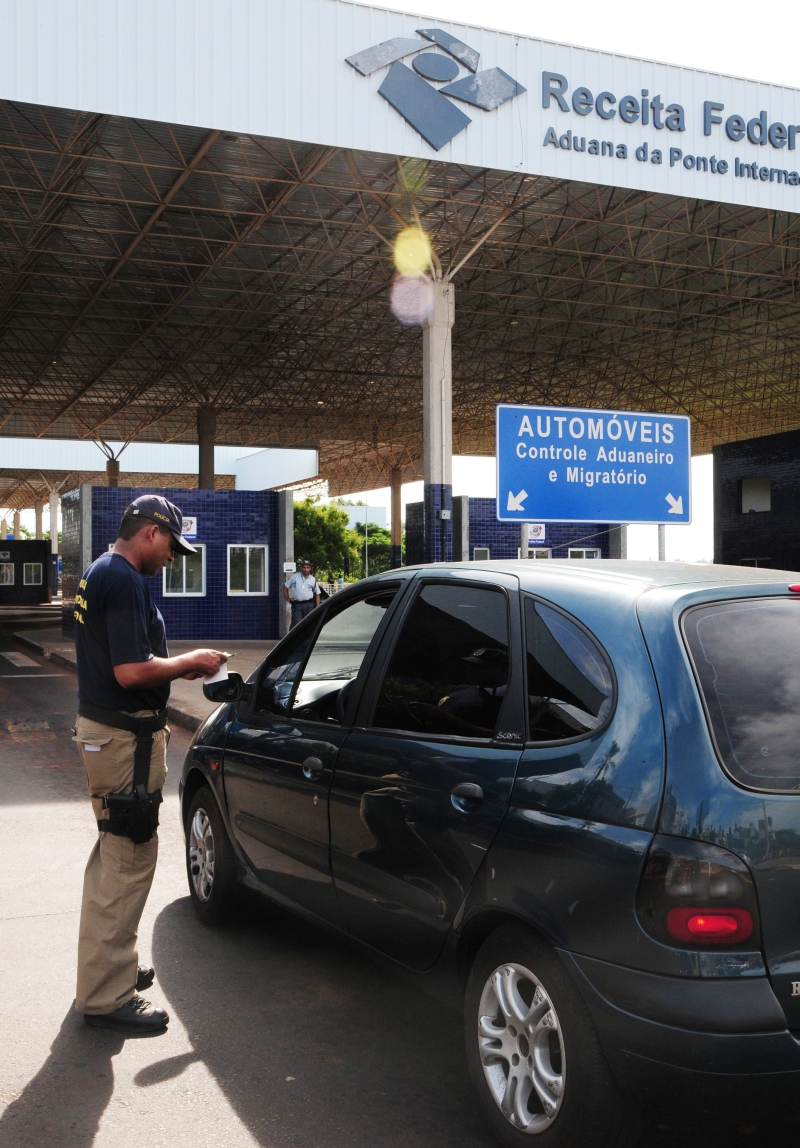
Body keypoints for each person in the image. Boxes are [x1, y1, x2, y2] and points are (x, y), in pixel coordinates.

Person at [73, 495, 228, 1035]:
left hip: (110, 736)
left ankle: (108, 969)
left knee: (115, 856)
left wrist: (172, 671)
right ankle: (104, 995)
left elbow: (132, 664)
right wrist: (191, 662)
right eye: (171, 547)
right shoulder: (123, 581)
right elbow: (128, 671)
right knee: (127, 859)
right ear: (150, 533)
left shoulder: (104, 570)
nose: (171, 559)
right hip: (122, 742)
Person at [283, 559, 321, 628]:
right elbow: (285, 586)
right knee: (296, 622)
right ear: (301, 568)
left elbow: (317, 594)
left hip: (309, 605)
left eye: (307, 567)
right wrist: (287, 598)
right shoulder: (295, 576)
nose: (305, 569)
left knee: (309, 623)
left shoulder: (313, 579)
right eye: (304, 567)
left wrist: (317, 607)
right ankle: (293, 638)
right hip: (297, 605)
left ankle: (307, 638)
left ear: (310, 568)